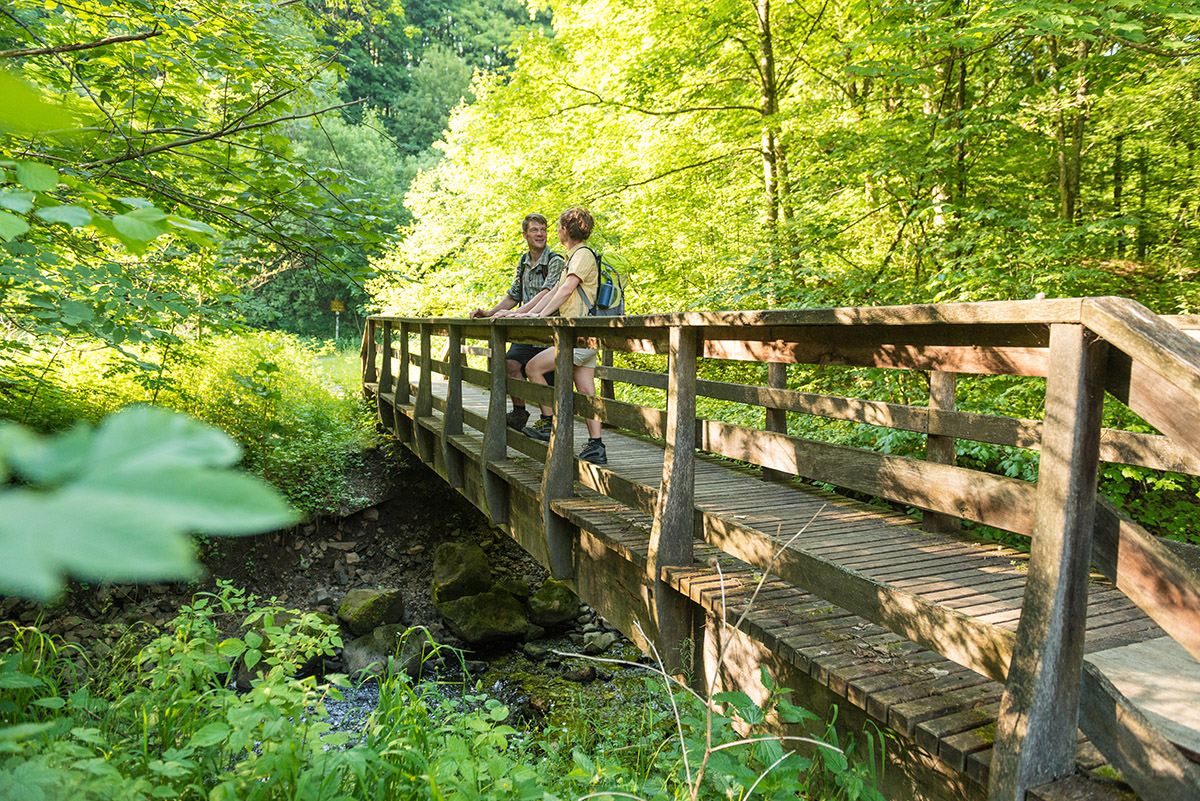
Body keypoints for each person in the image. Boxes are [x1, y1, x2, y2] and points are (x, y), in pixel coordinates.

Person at [496, 207, 606, 465]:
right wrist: (525, 314)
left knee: (534, 367)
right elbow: (551, 291)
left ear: (566, 230)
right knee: (587, 390)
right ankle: (597, 446)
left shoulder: (581, 255)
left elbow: (566, 289)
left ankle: (549, 423)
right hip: (584, 335)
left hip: (580, 336)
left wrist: (537, 316)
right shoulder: (572, 257)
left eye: (557, 227)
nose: (554, 232)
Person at [469, 213, 565, 431]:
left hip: (548, 331)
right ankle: (520, 412)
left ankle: (549, 423)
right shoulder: (523, 261)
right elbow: (513, 295)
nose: (540, 234)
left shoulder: (555, 261)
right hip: (525, 331)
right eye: (534, 230)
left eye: (543, 229)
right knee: (509, 364)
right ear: (525, 234)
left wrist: (515, 314)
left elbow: (547, 294)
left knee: (546, 379)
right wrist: (490, 312)